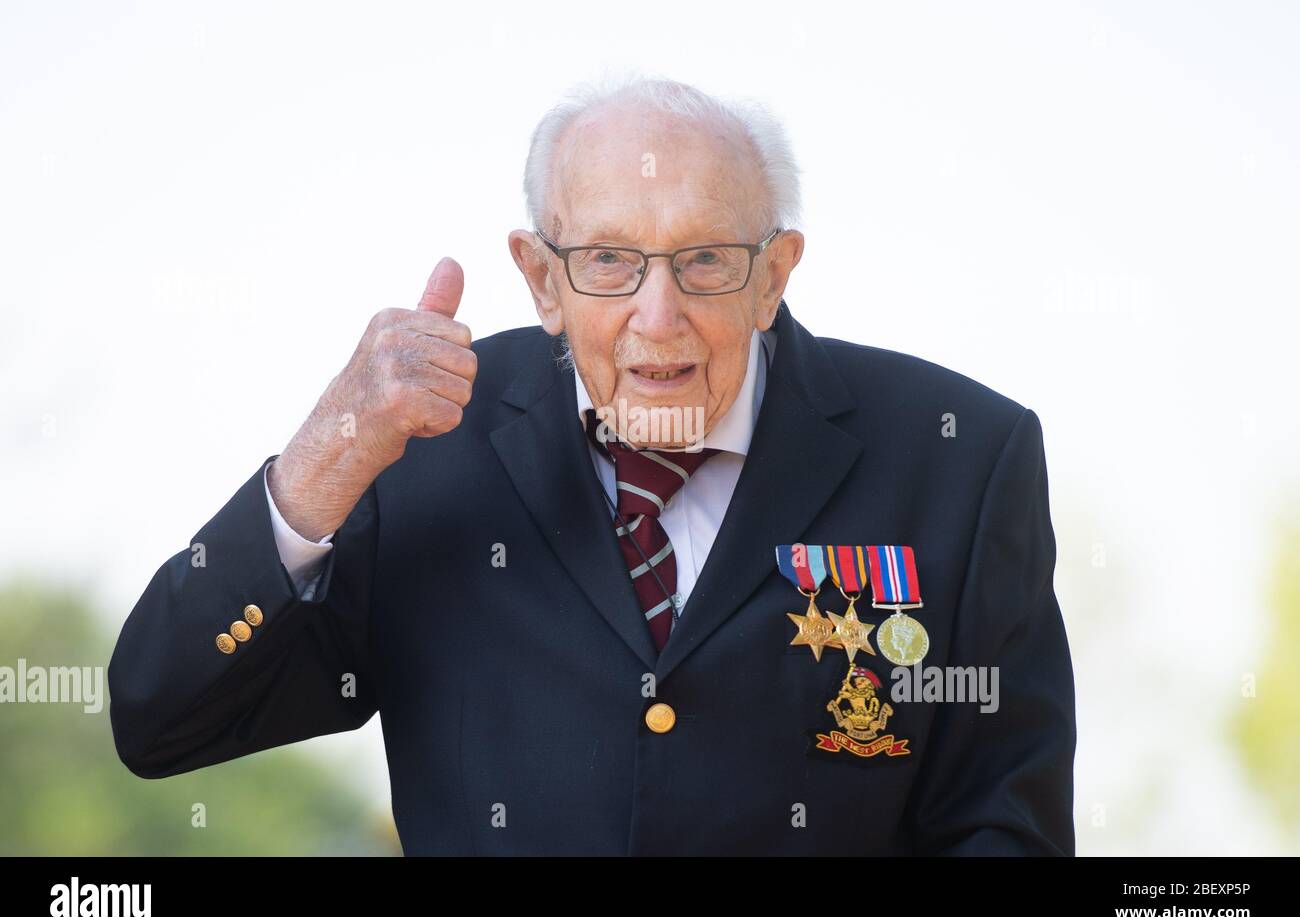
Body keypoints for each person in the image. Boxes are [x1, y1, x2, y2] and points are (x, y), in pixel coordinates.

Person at [108, 74, 1076, 856]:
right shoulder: (421, 436)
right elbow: (162, 717)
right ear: (540, 276)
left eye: (705, 260)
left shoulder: (959, 451)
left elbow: (1004, 819)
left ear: (775, 273)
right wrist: (328, 456)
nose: (658, 315)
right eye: (608, 260)